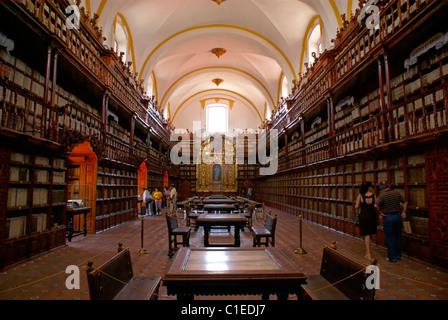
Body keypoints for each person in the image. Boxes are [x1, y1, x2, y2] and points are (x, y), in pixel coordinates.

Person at [375, 181, 408, 262]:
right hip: (397, 216)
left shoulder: (382, 195)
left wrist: (380, 213)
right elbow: (405, 202)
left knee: (389, 238)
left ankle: (392, 257)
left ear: (381, 188)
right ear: (389, 186)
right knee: (398, 236)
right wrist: (404, 212)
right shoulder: (397, 193)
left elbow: (375, 205)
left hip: (388, 217)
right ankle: (398, 255)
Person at [355, 182, 377, 260]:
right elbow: (376, 205)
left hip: (364, 217)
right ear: (368, 187)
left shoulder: (360, 195)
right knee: (369, 234)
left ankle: (368, 253)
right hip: (372, 216)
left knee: (366, 235)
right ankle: (368, 251)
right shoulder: (373, 195)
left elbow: (356, 206)